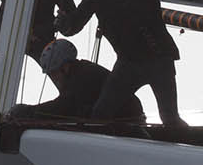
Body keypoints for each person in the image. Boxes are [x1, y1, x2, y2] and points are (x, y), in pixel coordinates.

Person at [59, 0, 186, 128]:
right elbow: (75, 26)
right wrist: (62, 22)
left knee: (169, 117)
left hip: (158, 60)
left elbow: (127, 18)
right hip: (128, 63)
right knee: (100, 114)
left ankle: (190, 144)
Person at [8, 39, 147, 125]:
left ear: (65, 67)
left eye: (54, 73)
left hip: (127, 123)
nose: (54, 78)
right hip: (126, 118)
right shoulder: (80, 71)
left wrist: (26, 111)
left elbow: (64, 107)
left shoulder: (83, 77)